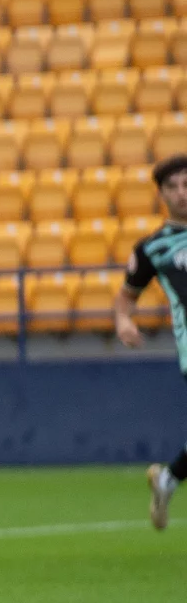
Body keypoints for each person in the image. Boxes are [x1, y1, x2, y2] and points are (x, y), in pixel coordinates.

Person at [114, 153, 187, 530]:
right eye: (173, 187)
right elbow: (126, 296)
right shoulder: (153, 248)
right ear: (161, 194)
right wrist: (124, 321)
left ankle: (167, 479)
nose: (182, 193)